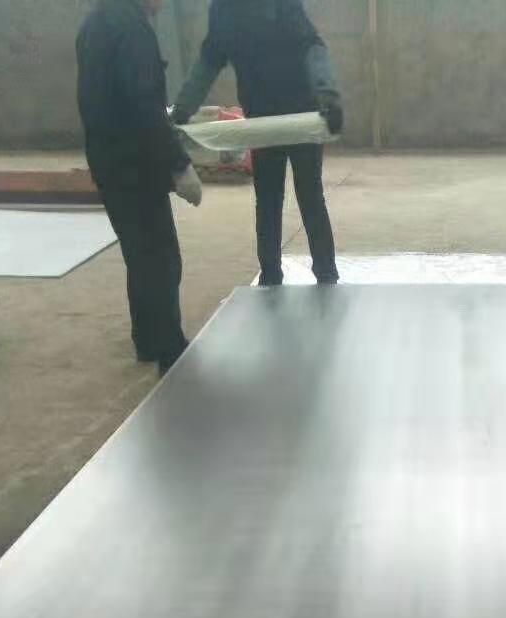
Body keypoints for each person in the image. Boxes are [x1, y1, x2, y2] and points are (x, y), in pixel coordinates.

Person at [171, 0, 342, 287]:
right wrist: (183, 109)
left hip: (300, 117)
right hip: (264, 120)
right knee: (273, 197)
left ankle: (321, 273)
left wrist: (328, 95)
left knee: (301, 194)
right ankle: (274, 274)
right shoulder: (224, 9)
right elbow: (209, 60)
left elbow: (311, 46)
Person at [77, 0, 203, 375]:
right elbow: (145, 105)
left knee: (139, 253)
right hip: (135, 164)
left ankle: (147, 339)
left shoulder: (96, 21)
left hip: (107, 159)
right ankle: (170, 350)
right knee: (161, 258)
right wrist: (179, 163)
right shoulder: (131, 29)